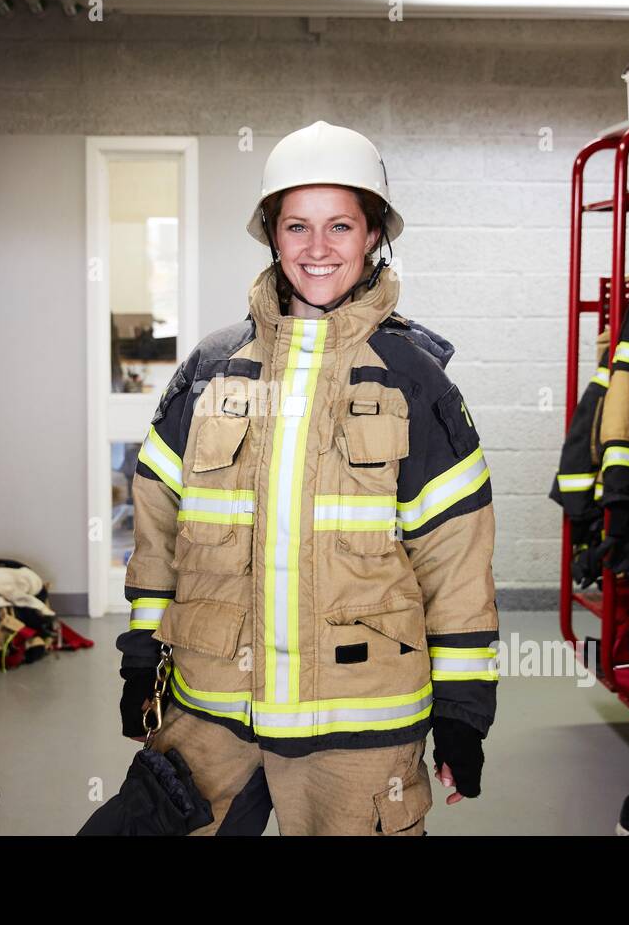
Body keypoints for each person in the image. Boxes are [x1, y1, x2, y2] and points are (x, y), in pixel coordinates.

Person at [115, 120, 498, 835]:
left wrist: (464, 711)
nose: (317, 249)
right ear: (270, 232)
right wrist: (142, 654)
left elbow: (456, 557)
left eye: (340, 227)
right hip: (212, 712)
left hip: (359, 732)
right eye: (297, 225)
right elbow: (157, 521)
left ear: (374, 234)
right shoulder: (211, 369)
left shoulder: (416, 382)